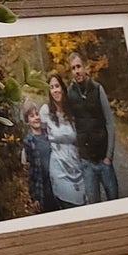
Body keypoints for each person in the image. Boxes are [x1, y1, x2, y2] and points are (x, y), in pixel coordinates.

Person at [66, 50, 119, 203]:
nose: (77, 71)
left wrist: (109, 156)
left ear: (85, 67)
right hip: (87, 162)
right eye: (73, 68)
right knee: (94, 205)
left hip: (104, 160)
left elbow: (110, 122)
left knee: (115, 202)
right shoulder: (70, 93)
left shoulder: (97, 89)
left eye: (79, 66)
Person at [40, 75, 86, 209]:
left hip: (76, 165)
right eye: (51, 87)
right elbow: (39, 134)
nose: (55, 90)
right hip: (58, 167)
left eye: (57, 86)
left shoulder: (72, 110)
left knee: (82, 206)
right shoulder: (45, 111)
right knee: (66, 206)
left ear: (62, 88)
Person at [21, 104, 55, 213]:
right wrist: (35, 196)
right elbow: (31, 171)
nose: (36, 117)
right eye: (32, 116)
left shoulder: (48, 134)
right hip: (43, 188)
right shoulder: (29, 141)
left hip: (57, 182)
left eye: (37, 114)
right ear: (27, 121)